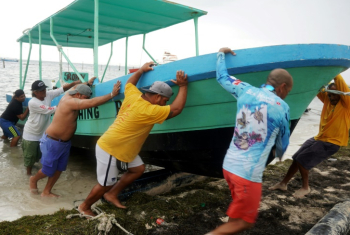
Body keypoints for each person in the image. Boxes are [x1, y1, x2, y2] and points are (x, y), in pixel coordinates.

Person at [78, 62, 188, 217]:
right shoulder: (148, 110)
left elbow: (130, 83)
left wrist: (141, 70)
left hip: (123, 146)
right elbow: (176, 109)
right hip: (111, 148)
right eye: (165, 100)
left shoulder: (134, 95)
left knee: (138, 169)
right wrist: (183, 86)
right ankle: (84, 206)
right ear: (157, 97)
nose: (166, 104)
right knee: (106, 183)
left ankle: (112, 194)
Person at [206, 47, 293, 235]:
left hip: (228, 167)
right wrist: (276, 153)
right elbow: (283, 145)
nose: (287, 94)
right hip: (247, 174)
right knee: (244, 222)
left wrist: (221, 54)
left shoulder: (245, 90)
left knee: (237, 212)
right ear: (283, 87)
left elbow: (221, 77)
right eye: (288, 91)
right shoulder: (282, 107)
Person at [29, 80, 121, 197]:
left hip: (65, 143)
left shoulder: (72, 93)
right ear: (77, 95)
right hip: (52, 141)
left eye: (87, 98)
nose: (86, 100)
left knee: (59, 169)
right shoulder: (69, 102)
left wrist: (87, 84)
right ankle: (33, 179)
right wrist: (112, 94)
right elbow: (92, 103)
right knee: (48, 170)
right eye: (84, 98)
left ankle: (46, 191)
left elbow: (77, 86)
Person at [269, 74, 350, 198]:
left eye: (335, 94)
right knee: (296, 158)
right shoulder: (328, 101)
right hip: (320, 138)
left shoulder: (346, 105)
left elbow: (342, 86)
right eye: (330, 94)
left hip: (332, 142)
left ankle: (305, 187)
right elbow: (317, 87)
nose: (332, 97)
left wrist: (334, 72)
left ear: (340, 94)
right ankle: (283, 183)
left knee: (303, 160)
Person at [22, 77, 96, 176]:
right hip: (31, 134)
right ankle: (28, 176)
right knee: (29, 158)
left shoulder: (47, 94)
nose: (44, 91)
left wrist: (82, 84)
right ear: (35, 92)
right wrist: (68, 104)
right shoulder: (33, 102)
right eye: (41, 90)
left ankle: (37, 173)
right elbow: (51, 109)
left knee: (38, 157)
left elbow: (62, 89)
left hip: (42, 134)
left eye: (44, 89)